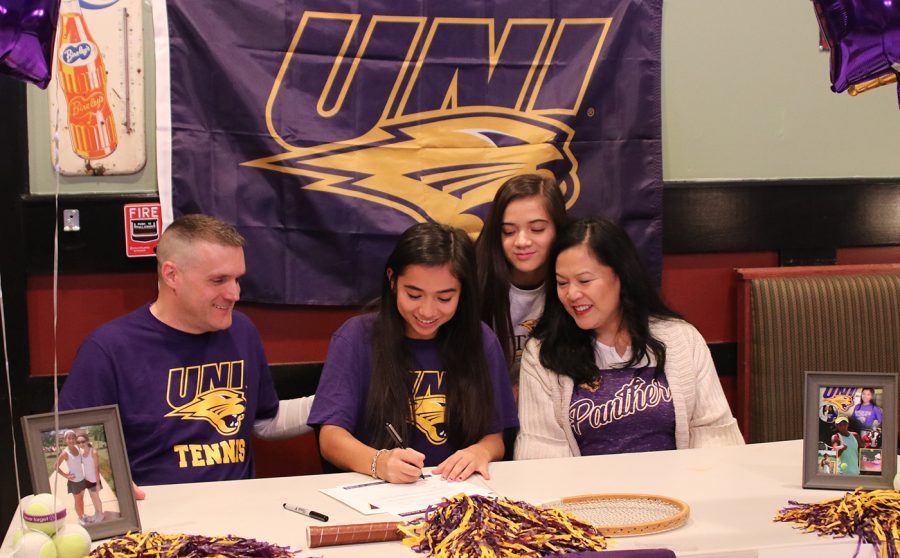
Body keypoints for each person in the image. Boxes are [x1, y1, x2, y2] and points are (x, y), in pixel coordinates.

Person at [59, 214, 313, 485]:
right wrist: (108, 484)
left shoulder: (242, 331)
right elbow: (66, 441)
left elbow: (264, 421)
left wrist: (343, 400)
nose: (234, 293)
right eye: (218, 281)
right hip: (155, 512)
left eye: (237, 279)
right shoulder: (109, 348)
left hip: (238, 507)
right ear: (172, 275)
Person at [515, 217, 744, 460]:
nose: (572, 294)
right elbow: (540, 452)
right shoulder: (543, 353)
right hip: (585, 495)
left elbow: (713, 433)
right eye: (562, 283)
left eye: (584, 281)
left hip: (674, 492)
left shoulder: (681, 339)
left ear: (621, 276)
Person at [309, 222, 519, 483]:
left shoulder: (481, 340)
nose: (427, 312)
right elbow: (330, 439)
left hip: (458, 493)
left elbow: (495, 438)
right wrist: (379, 462)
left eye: (444, 298)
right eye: (414, 295)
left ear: (463, 293)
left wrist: (480, 451)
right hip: (379, 493)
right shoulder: (356, 338)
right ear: (392, 280)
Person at [476, 173, 567, 386]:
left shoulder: (573, 281)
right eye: (508, 231)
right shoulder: (476, 279)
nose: (522, 241)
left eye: (537, 229)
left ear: (558, 228)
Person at [54, 430, 89, 525]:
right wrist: (66, 475)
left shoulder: (77, 448)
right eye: (69, 438)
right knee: (77, 500)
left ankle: (83, 514)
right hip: (74, 481)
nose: (71, 440)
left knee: (82, 499)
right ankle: (80, 517)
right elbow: (55, 466)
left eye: (73, 438)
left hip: (82, 479)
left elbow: (80, 461)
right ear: (65, 440)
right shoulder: (65, 453)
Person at [79, 435, 104, 523]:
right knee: (92, 497)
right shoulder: (82, 453)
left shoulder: (93, 452)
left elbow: (97, 468)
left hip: (94, 480)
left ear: (87, 441)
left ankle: (101, 514)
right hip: (87, 480)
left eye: (83, 441)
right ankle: (96, 513)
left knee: (96, 497)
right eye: (79, 442)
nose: (81, 444)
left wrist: (97, 483)